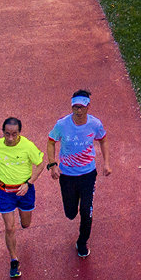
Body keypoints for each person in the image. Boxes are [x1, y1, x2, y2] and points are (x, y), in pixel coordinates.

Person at [46, 89, 109, 258]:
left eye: (81, 107)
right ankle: (74, 206)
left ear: (88, 107)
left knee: (86, 210)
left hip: (88, 174)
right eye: (75, 107)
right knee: (70, 213)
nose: (78, 111)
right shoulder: (62, 125)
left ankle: (82, 242)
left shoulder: (95, 124)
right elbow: (51, 142)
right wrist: (52, 164)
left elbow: (103, 140)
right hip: (67, 176)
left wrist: (106, 163)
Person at [0, 116, 44, 278]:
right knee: (10, 228)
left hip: (25, 191)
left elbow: (40, 164)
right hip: (5, 192)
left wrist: (29, 184)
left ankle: (21, 216)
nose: (10, 138)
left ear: (20, 133)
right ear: (3, 132)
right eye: (7, 134)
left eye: (14, 134)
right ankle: (14, 260)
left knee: (25, 224)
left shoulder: (28, 146)